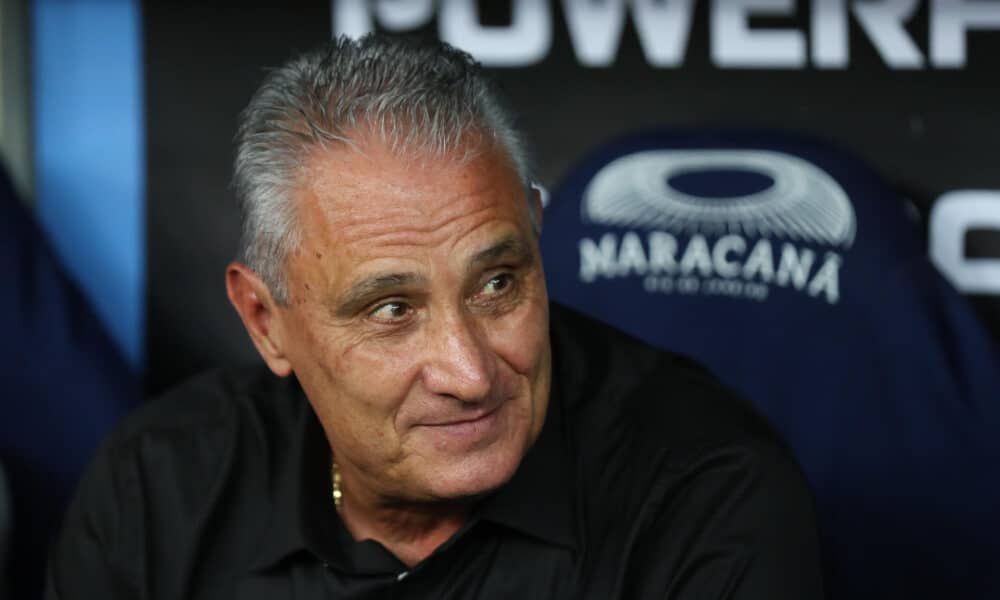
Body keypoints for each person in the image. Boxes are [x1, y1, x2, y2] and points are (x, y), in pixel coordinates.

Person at [45, 35, 823, 599]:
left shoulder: (708, 498)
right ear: (264, 319)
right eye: (391, 309)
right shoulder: (158, 489)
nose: (470, 371)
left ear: (537, 233)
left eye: (497, 285)